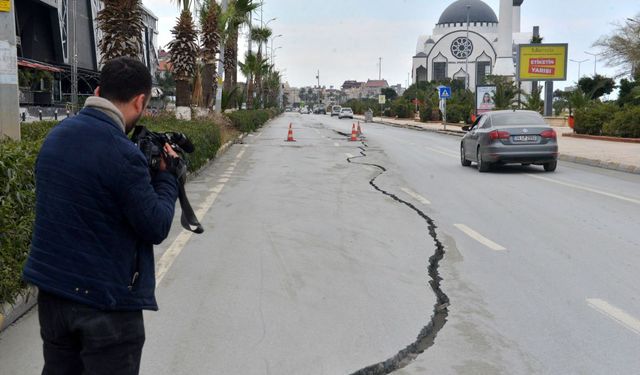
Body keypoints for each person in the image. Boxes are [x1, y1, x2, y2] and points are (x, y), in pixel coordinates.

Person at [23, 57, 180, 375]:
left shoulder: (55, 137)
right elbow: (156, 225)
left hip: (53, 295)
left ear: (97, 91)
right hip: (105, 305)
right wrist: (167, 178)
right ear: (139, 101)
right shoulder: (123, 155)